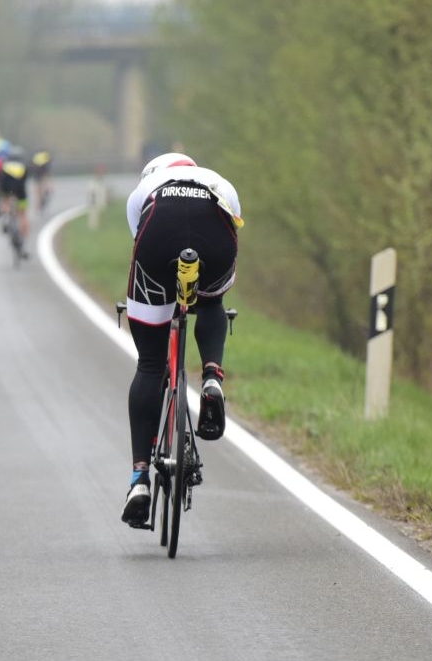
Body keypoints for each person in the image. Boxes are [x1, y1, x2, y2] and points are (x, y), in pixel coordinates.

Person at [118, 152, 243, 528]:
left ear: (155, 173)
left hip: (159, 234)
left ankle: (140, 478)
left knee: (151, 363)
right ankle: (211, 377)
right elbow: (235, 225)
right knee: (211, 302)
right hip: (216, 233)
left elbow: (139, 240)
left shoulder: (143, 189)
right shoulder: (219, 180)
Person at [0, 146, 30, 258]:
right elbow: (25, 180)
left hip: (6, 188)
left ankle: (5, 218)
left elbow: (0, 180)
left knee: (4, 200)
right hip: (20, 192)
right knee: (23, 215)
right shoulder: (24, 166)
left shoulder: (4, 166)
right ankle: (23, 242)